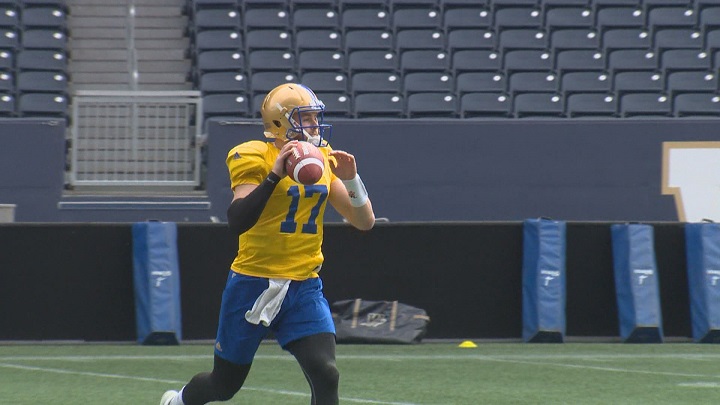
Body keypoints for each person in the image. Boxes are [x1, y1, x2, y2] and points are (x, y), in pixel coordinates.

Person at [160, 83, 375, 405]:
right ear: (279, 123)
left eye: (315, 118)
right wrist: (274, 175)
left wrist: (351, 179)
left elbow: (364, 221)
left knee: (326, 372)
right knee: (224, 385)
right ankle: (179, 401)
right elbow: (238, 220)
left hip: (304, 285)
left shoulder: (322, 155)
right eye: (306, 118)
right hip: (253, 283)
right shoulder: (253, 155)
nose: (314, 125)